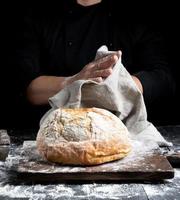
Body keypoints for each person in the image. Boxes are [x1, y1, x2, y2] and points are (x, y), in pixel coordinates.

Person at [9, 0, 175, 128]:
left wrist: (116, 84)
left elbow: (163, 78)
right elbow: (28, 89)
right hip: (52, 132)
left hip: (124, 132)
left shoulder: (136, 15)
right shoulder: (38, 14)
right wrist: (75, 81)